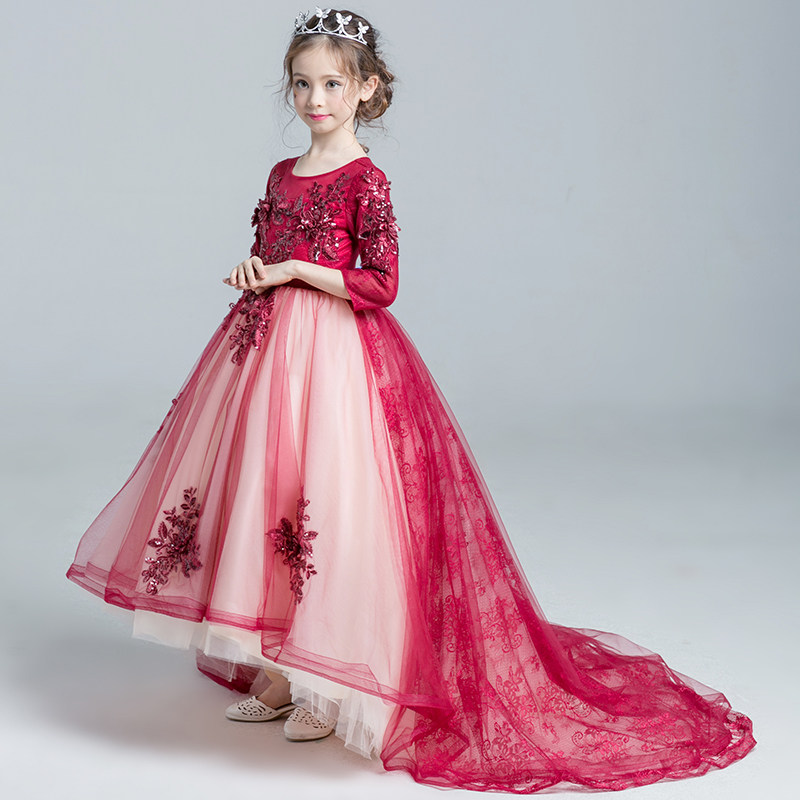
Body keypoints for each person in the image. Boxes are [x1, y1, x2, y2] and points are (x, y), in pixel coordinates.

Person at [66, 7, 756, 793]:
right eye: (302, 84)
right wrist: (257, 272)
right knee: (266, 495)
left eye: (333, 84)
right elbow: (270, 252)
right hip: (268, 356)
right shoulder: (281, 174)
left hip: (335, 358)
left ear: (366, 89)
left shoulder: (367, 179)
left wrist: (295, 272)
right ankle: (278, 669)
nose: (315, 99)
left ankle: (325, 683)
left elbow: (380, 284)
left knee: (328, 502)